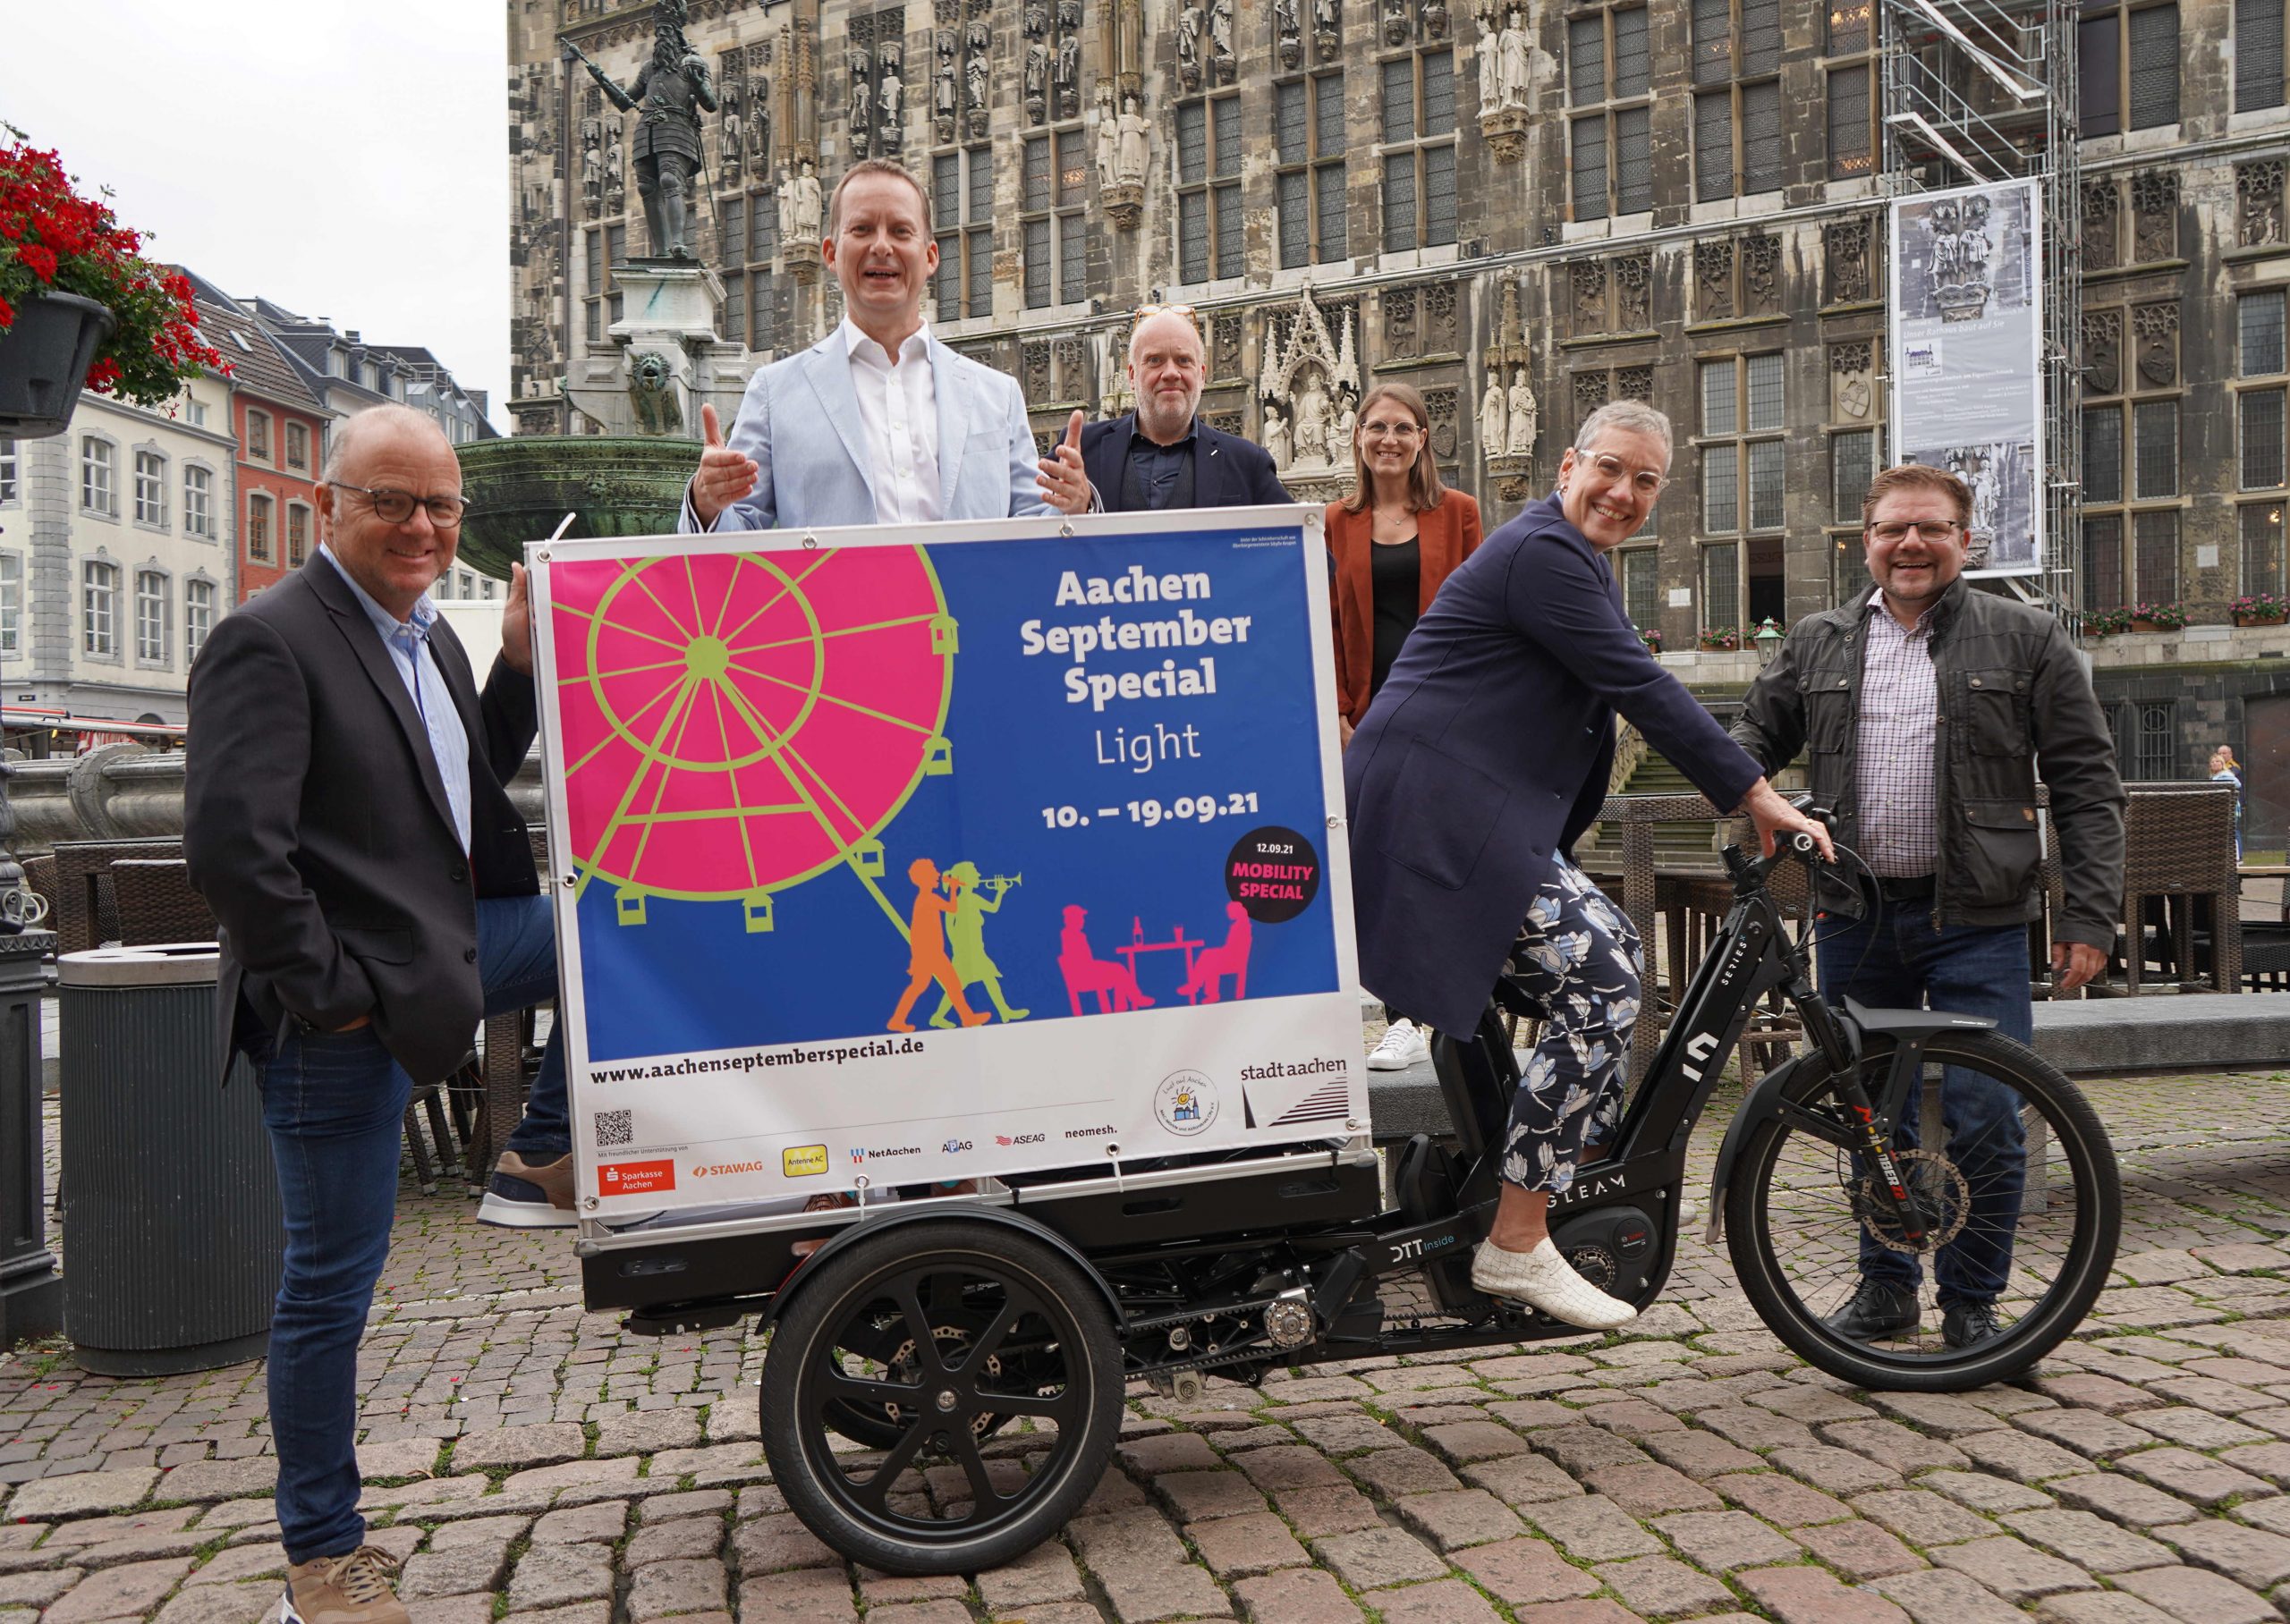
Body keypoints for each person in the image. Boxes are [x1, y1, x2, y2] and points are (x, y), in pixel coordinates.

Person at [182, 406, 578, 1624]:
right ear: (330, 506)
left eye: (439, 506)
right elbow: (234, 852)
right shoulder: (269, 638)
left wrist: (517, 662)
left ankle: (539, 1153)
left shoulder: (427, 633)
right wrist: (337, 998)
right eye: (390, 501)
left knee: (603, 932)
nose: (420, 526)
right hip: (339, 1014)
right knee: (330, 1289)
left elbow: (457, 779)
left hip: (442, 954)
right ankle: (323, 1563)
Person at [1346, 401, 1829, 1328]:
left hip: (1459, 807)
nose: (1623, 492)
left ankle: (1558, 1171)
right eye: (1609, 468)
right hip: (1436, 811)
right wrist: (1759, 798)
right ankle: (1517, 1237)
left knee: (1613, 950)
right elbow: (1639, 685)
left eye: (1645, 481)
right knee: (1604, 979)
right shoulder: (1544, 553)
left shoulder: (1573, 559)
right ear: (1567, 466)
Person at [1732, 461, 2125, 1350]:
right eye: (1892, 529)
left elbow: (2087, 784)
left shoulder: (2025, 636)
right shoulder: (1820, 639)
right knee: (1871, 1114)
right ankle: (1886, 1288)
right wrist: (1747, 787)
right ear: (1866, 541)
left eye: (1931, 528)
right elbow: (1753, 733)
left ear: (1964, 540)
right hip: (1855, 914)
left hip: (1977, 919)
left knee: (1988, 1113)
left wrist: (2088, 916)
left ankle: (1973, 1301)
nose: (1910, 544)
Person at [684, 159, 1093, 534]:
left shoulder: (997, 396)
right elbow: (738, 543)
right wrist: (707, 504)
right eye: (862, 229)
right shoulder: (774, 393)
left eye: (900, 231)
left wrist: (1076, 507)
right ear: (830, 253)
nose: (881, 246)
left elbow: (1034, 532)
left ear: (930, 256)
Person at [1324, 383, 1484, 1075]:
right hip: (1369, 721)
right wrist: (1339, 713)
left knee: (1445, 866)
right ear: (1358, 437)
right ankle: (1402, 1020)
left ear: (1422, 439)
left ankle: (1457, 1014)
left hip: (1446, 716)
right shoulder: (1335, 521)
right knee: (1380, 871)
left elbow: (1484, 615)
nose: (1387, 439)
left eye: (1401, 428)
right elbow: (1323, 622)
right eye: (1376, 427)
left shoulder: (1459, 514)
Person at [1081, 307, 1290, 512]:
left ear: (1202, 376)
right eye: (1155, 360)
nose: (1171, 373)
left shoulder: (1248, 463)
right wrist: (1070, 512)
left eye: (1184, 361)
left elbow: (1297, 531)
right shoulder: (1079, 451)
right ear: (1132, 376)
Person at [2212, 745, 2245, 861]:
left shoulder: (2232, 769)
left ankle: (2238, 856)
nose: (2221, 756)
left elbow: (2237, 784)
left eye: (2224, 753)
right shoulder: (2216, 774)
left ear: (2230, 755)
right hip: (2224, 804)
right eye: (2219, 753)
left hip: (2231, 804)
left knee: (2234, 830)